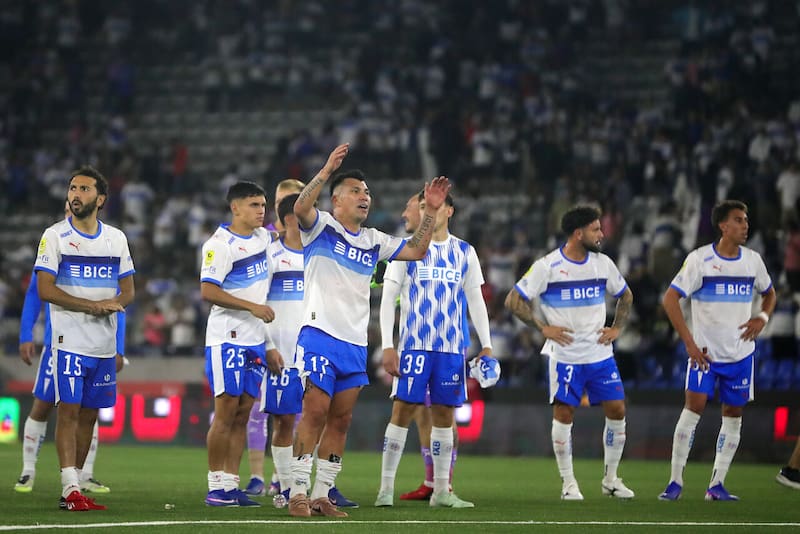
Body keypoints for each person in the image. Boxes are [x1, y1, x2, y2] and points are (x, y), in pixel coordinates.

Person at [286, 144, 450, 517]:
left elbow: (416, 250)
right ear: (337, 201)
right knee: (314, 412)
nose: (365, 197)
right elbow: (299, 209)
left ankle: (322, 493)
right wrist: (327, 169)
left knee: (341, 420)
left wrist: (433, 211)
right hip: (318, 333)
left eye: (367, 193)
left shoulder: (374, 240)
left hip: (355, 343)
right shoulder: (321, 228)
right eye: (357, 191)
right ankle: (297, 490)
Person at [505, 205, 635, 501]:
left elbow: (625, 295)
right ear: (579, 234)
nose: (601, 234)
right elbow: (513, 300)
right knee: (564, 414)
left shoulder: (603, 264)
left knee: (617, 409)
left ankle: (611, 480)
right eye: (595, 229)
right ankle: (568, 483)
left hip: (600, 354)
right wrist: (542, 327)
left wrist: (617, 328)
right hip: (565, 356)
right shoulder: (547, 266)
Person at [374, 190, 492, 508]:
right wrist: (388, 345)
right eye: (425, 206)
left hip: (452, 348)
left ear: (449, 211)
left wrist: (487, 345)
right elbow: (388, 299)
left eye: (436, 206)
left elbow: (475, 300)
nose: (432, 210)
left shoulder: (465, 252)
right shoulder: (409, 250)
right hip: (414, 346)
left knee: (443, 415)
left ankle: (441, 491)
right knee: (402, 411)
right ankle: (385, 489)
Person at [658, 200, 776, 501]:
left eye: (746, 220)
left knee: (733, 413)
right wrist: (689, 343)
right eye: (738, 220)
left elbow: (770, 293)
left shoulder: (753, 261)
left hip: (740, 354)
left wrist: (762, 317)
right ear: (723, 226)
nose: (745, 225)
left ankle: (716, 484)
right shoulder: (700, 260)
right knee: (692, 409)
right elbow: (670, 300)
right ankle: (675, 482)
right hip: (705, 355)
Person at [34, 166, 135, 511]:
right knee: (69, 412)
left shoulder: (116, 239)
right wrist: (91, 306)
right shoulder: (55, 236)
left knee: (90, 416)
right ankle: (68, 487)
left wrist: (113, 306)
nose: (75, 194)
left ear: (101, 199)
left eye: (84, 189)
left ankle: (75, 485)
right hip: (69, 341)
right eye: (72, 188)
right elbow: (45, 289)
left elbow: (129, 290)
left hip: (103, 345)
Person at [15, 200, 126, 495]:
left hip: (98, 344)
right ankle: (28, 471)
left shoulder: (108, 243)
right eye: (67, 207)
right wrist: (27, 333)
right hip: (59, 343)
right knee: (44, 404)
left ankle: (83, 475)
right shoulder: (55, 242)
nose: (71, 213)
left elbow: (117, 299)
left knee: (89, 407)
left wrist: (119, 345)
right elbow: (34, 294)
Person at [200, 181, 281, 507]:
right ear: (235, 208)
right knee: (225, 413)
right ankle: (215, 486)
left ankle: (231, 485)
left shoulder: (262, 237)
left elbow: (286, 227)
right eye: (254, 205)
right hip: (226, 339)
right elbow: (208, 291)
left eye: (263, 205)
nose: (261, 211)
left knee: (243, 414)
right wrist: (252, 307)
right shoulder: (219, 245)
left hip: (254, 342)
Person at [244, 178, 304, 497]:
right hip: (269, 341)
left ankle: (291, 480)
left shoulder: (313, 245)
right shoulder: (263, 241)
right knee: (259, 411)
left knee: (303, 414)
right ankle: (257, 475)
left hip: (303, 345)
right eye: (281, 199)